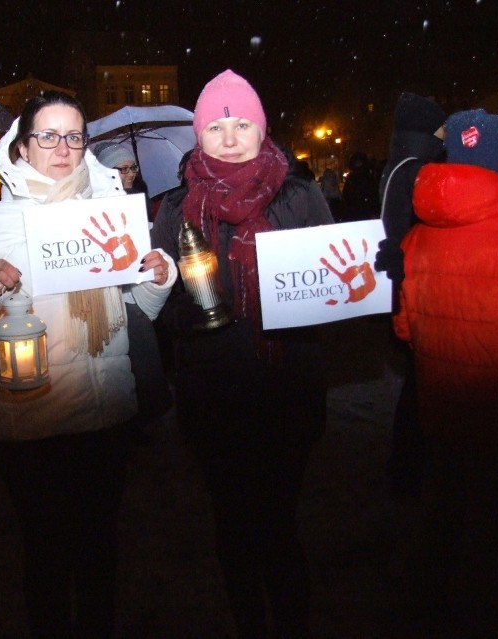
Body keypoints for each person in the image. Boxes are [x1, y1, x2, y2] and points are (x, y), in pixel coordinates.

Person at [0, 91, 176, 638]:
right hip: (32, 421)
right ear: (22, 147)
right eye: (48, 135)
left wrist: (158, 278)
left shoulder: (109, 211)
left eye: (73, 136)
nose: (62, 148)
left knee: (100, 555)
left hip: (107, 412)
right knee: (46, 557)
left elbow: (137, 309)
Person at [151, 70, 333, 638]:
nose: (230, 138)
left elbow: (330, 290)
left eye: (243, 123)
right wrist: (190, 310)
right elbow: (159, 306)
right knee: (232, 522)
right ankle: (249, 621)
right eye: (216, 126)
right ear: (199, 135)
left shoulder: (300, 197)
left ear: (263, 128)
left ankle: (293, 622)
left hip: (288, 390)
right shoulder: (175, 209)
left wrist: (347, 282)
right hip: (214, 395)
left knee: (279, 521)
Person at [394, 109, 498, 639]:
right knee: (495, 548)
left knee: (444, 527)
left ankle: (428, 614)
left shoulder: (420, 236)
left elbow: (405, 328)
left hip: (442, 416)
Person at [373, 92, 447, 498]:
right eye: (440, 127)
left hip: (402, 282)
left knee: (417, 385)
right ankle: (407, 471)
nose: (445, 134)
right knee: (418, 388)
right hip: (409, 285)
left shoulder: (401, 163)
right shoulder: (416, 170)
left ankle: (406, 468)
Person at [94, 142, 173, 440]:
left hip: (137, 296)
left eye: (132, 168)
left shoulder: (140, 200)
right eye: (121, 168)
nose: (129, 174)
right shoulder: (93, 205)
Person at [341, 150, 380, 221]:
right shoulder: (353, 178)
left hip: (362, 212)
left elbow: (373, 195)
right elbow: (346, 195)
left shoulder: (367, 177)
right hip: (357, 212)